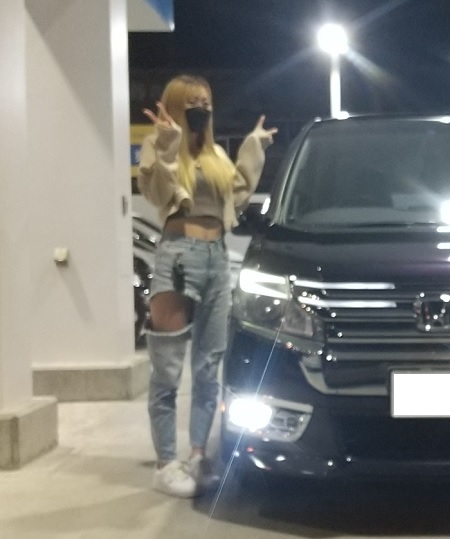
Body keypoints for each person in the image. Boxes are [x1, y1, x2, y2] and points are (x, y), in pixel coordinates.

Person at [137, 74, 276, 498]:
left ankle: (197, 454)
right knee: (167, 368)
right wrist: (167, 144)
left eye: (207, 102)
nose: (202, 109)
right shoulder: (157, 146)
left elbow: (237, 194)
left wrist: (252, 147)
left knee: (208, 365)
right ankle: (165, 463)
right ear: (175, 106)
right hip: (178, 256)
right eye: (193, 102)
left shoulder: (216, 154)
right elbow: (155, 191)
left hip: (217, 257)